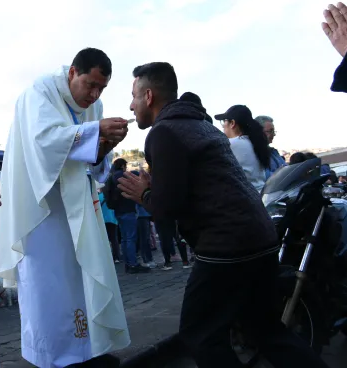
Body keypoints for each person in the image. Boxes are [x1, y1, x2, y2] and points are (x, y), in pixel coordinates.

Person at [117, 62, 329, 368]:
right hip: (260, 237)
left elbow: (169, 207)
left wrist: (145, 194)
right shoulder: (202, 125)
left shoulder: (163, 131)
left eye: (134, 96)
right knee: (265, 330)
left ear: (148, 96)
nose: (131, 105)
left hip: (226, 245)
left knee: (199, 335)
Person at [0, 48, 130, 368]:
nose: (94, 95)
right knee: (48, 284)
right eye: (90, 84)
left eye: (102, 89)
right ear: (72, 73)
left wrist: (105, 145)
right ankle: (52, 356)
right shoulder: (39, 93)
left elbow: (94, 163)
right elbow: (43, 142)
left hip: (77, 204)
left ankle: (86, 349)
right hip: (40, 209)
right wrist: (95, 133)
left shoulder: (94, 105)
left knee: (81, 274)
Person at [216, 105, 270, 192]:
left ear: (232, 123)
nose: (223, 126)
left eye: (224, 121)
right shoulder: (255, 143)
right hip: (260, 196)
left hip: (244, 199)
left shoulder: (230, 144)